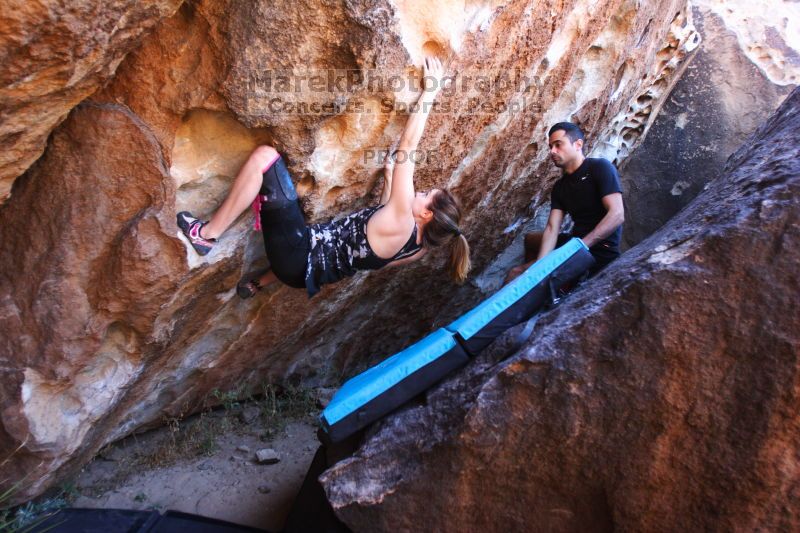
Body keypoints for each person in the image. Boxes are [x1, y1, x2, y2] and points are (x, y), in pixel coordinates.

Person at [177, 56, 470, 299]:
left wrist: (431, 90)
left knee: (265, 158)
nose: (420, 192)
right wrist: (390, 180)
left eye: (426, 194)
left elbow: (408, 146)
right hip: (302, 275)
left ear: (426, 213)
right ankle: (257, 284)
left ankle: (204, 235)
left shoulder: (404, 214)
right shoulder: (416, 248)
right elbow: (373, 239)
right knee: (315, 246)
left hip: (298, 251)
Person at [505, 122, 624, 284]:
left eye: (558, 145)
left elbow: (617, 215)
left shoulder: (599, 168)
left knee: (515, 273)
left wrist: (580, 246)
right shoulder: (560, 187)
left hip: (597, 251)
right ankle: (536, 280)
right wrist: (539, 267)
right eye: (551, 146)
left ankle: (538, 284)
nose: (552, 151)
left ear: (578, 144)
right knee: (530, 240)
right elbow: (552, 228)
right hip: (573, 243)